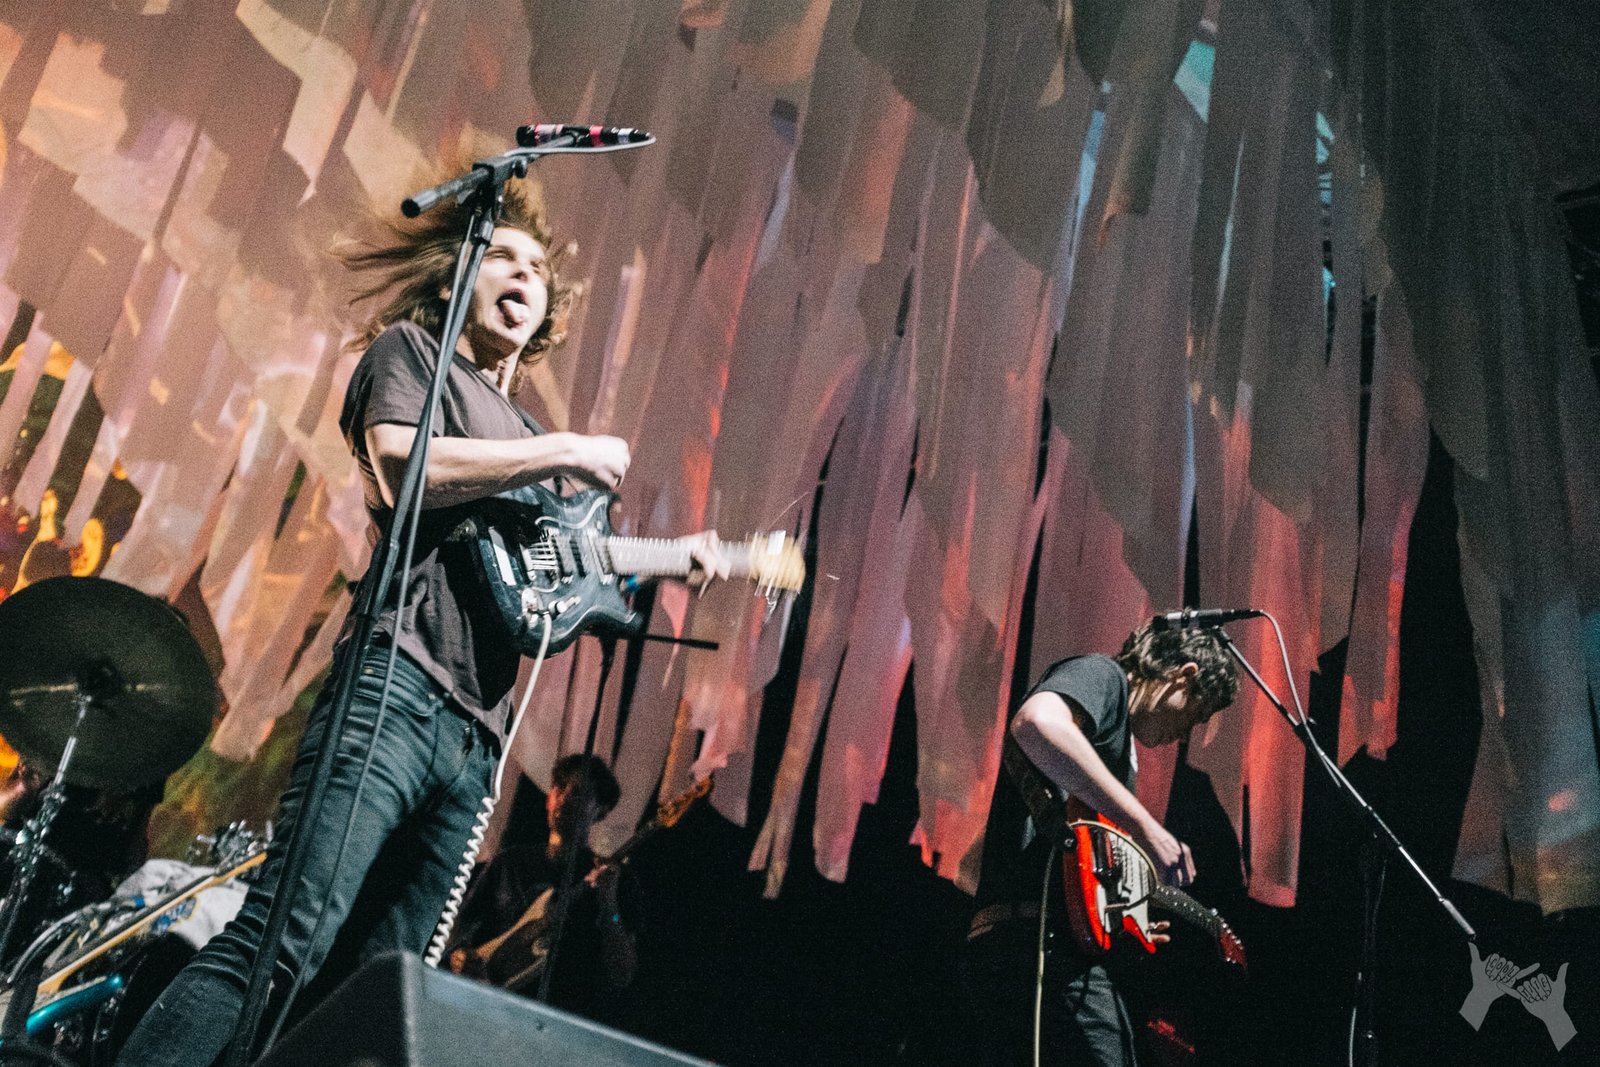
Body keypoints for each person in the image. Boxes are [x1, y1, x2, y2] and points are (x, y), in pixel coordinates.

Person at [115, 164, 727, 1067]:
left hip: (476, 741)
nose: (524, 276)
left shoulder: (528, 436)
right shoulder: (412, 356)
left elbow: (554, 570)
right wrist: (563, 451)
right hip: (395, 690)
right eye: (503, 258)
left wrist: (674, 557)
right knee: (285, 940)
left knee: (376, 994)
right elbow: (405, 468)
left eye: (537, 269)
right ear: (455, 280)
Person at [963, 621, 1240, 1066]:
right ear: (1183, 675)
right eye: (1197, 713)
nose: (1187, 733)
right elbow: (1036, 723)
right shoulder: (1104, 676)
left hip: (1018, 946)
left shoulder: (1116, 743)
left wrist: (1121, 915)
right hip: (1039, 946)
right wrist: (1146, 826)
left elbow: (1054, 860)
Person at [445, 754, 639, 1019]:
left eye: (578, 792)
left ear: (601, 811)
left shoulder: (615, 880)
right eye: (560, 787)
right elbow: (457, 925)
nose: (564, 798)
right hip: (485, 1011)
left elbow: (623, 973)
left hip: (559, 1022)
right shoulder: (510, 862)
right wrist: (458, 955)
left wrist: (609, 907)